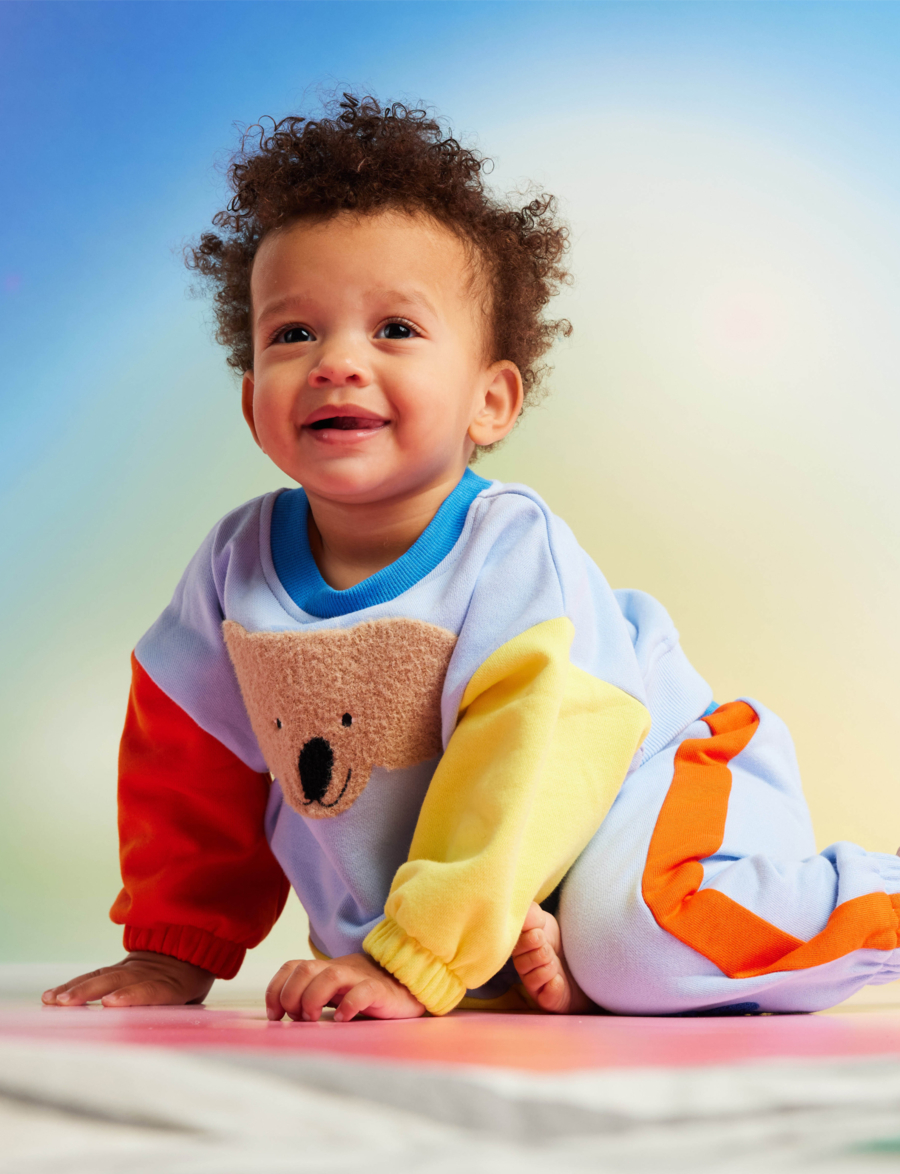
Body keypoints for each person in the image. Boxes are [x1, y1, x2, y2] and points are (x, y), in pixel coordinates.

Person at [43, 96, 900, 1023]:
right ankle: (540, 951)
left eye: (395, 330)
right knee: (520, 963)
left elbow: (534, 761)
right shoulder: (234, 568)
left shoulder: (510, 550)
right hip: (505, 874)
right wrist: (173, 950)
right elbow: (188, 767)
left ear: (490, 402)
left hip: (654, 780)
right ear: (253, 405)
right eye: (293, 333)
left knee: (641, 947)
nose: (335, 362)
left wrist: (416, 958)